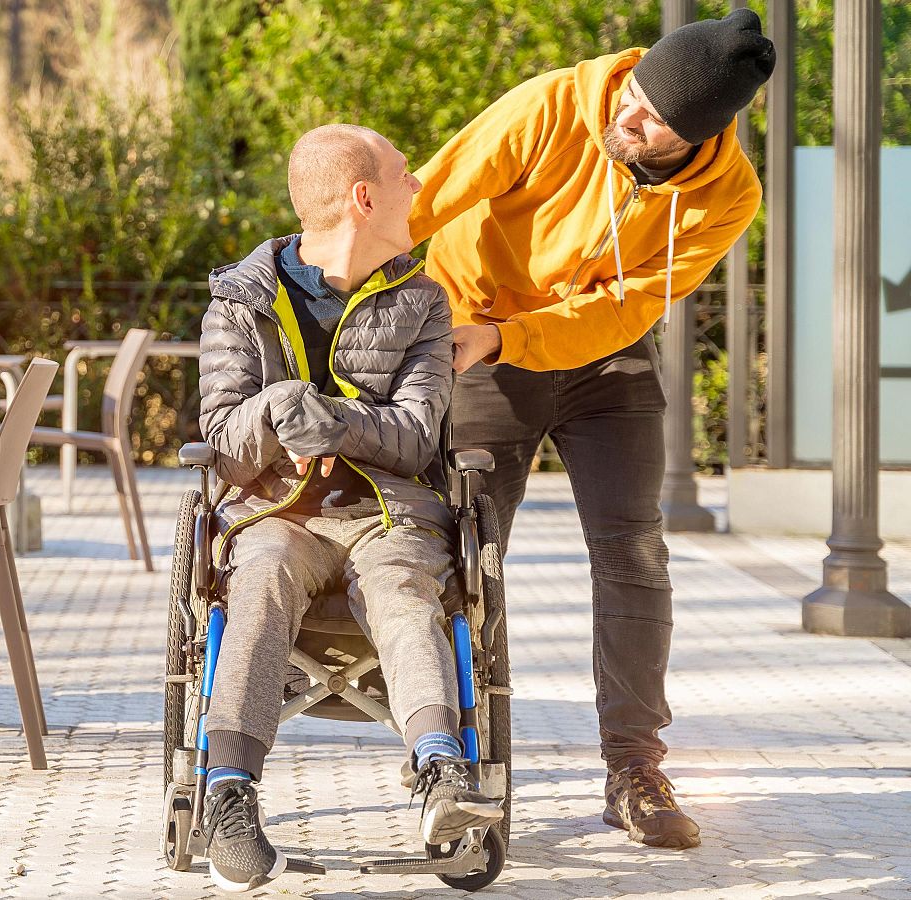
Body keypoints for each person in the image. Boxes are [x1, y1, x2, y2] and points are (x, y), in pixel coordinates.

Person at [407, 9, 776, 850]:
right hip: (479, 340)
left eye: (651, 119)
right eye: (635, 92)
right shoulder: (553, 105)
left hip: (602, 359)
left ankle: (633, 769)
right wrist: (332, 288)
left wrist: (517, 336)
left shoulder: (729, 194)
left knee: (635, 553)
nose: (628, 115)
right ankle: (457, 761)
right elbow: (429, 194)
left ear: (697, 138)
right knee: (465, 550)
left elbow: (630, 305)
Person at [196, 123, 502, 893]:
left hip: (391, 514)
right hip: (276, 514)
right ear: (365, 198)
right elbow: (226, 444)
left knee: (405, 592)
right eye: (406, 175)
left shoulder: (423, 303)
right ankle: (228, 795)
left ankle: (440, 774)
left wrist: (326, 421)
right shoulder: (241, 302)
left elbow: (416, 435)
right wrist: (280, 408)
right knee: (258, 580)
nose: (420, 187)